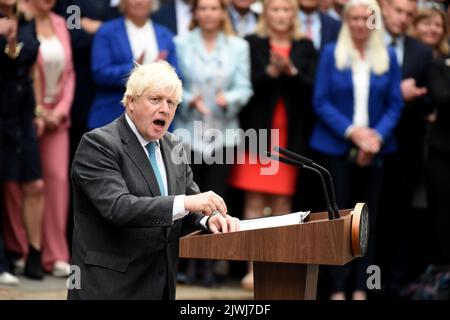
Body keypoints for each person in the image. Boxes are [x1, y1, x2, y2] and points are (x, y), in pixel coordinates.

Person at [68, 61, 240, 300]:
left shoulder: (173, 145)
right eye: (155, 99)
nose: (165, 109)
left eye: (171, 103)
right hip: (110, 289)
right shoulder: (98, 144)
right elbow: (119, 208)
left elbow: (191, 207)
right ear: (130, 102)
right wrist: (188, 203)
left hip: (161, 287)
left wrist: (211, 219)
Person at [310, 0, 403, 299]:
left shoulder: (387, 56)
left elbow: (394, 104)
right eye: (355, 18)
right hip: (335, 149)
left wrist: (374, 138)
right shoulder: (330, 54)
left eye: (367, 18)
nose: (361, 24)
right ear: (346, 20)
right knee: (337, 222)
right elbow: (320, 101)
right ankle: (336, 289)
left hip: (374, 151)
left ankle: (362, 288)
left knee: (366, 223)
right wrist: (354, 134)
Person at [229, 0, 317, 290]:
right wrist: (271, 72)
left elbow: (311, 91)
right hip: (258, 134)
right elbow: (248, 85)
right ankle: (253, 270)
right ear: (267, 13)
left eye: (286, 10)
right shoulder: (252, 42)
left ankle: (277, 269)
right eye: (276, 9)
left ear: (294, 15)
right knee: (253, 203)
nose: (281, 15)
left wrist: (290, 70)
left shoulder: (305, 45)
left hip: (290, 138)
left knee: (283, 205)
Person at [173, 0, 252, 286]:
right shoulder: (181, 43)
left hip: (223, 133)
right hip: (187, 132)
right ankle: (185, 262)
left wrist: (228, 99)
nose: (208, 13)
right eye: (203, 8)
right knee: (188, 197)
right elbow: (174, 81)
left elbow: (245, 87)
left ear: (222, 13)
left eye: (214, 8)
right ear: (196, 13)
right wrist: (188, 96)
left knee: (216, 200)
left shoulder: (238, 46)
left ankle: (209, 265)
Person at [377, 0, 433, 298]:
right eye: (399, 11)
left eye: (410, 14)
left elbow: (430, 99)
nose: (404, 18)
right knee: (367, 217)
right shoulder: (364, 41)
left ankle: (393, 286)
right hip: (368, 145)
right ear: (384, 7)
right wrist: (396, 92)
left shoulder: (421, 51)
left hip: (406, 147)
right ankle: (364, 283)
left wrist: (416, 96)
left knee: (399, 217)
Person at [0, 0, 45, 280]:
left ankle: (34, 256)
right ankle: (3, 262)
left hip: (22, 112)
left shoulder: (27, 18)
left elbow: (32, 68)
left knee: (35, 184)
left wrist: (38, 110)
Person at [87, 0, 178, 130]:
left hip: (156, 123)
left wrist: (161, 72)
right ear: (123, 2)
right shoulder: (106, 32)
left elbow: (177, 76)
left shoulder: (165, 35)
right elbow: (99, 73)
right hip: (112, 117)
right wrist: (134, 69)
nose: (139, 2)